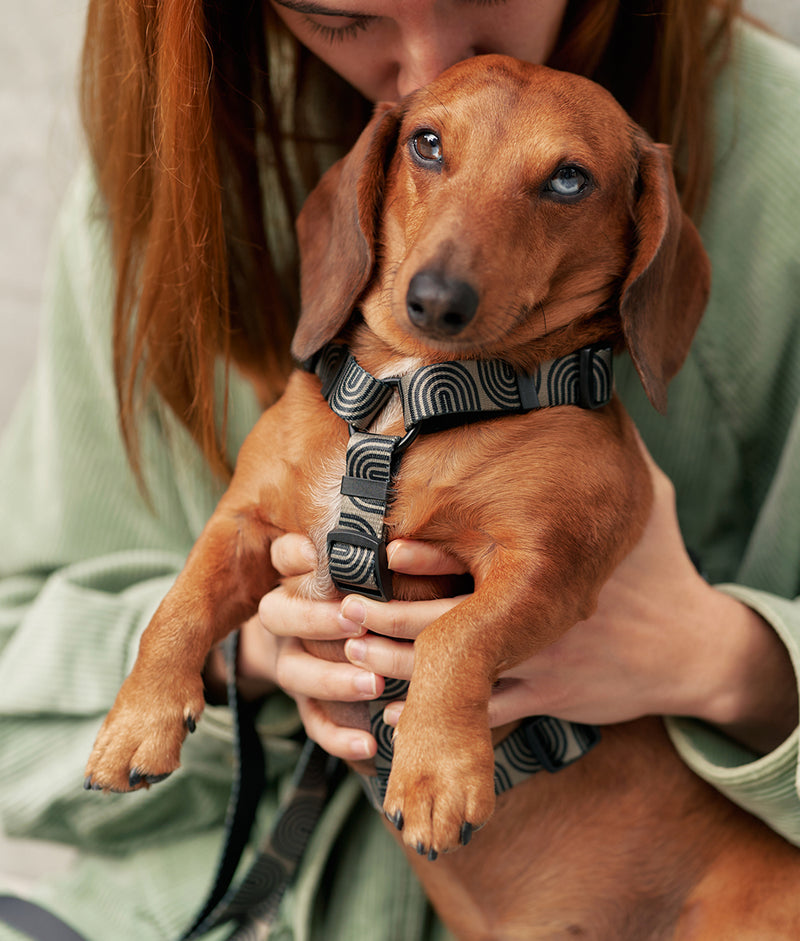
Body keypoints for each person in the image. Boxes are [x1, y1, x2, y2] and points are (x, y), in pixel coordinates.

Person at [1, 1, 799, 938]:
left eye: (566, 180)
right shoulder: (169, 198)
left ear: (639, 235)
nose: (424, 60)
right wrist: (252, 653)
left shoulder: (771, 162)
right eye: (344, 18)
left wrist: (731, 660)